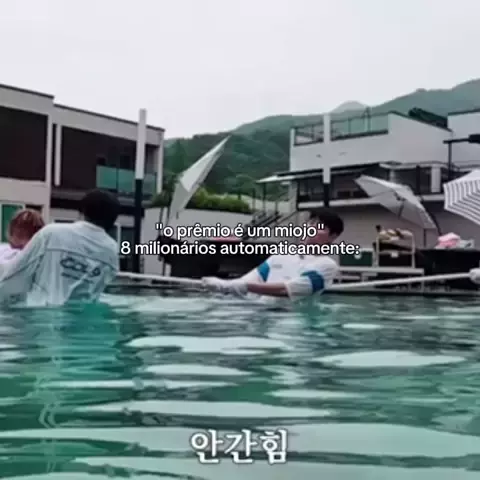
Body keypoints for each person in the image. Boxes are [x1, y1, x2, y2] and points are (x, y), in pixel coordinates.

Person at [0, 189, 120, 306]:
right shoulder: (111, 250)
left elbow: (15, 274)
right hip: (83, 315)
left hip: (41, 313)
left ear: (82, 212)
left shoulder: (52, 233)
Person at [202, 208, 344, 300]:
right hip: (261, 316)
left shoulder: (327, 265)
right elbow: (250, 279)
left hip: (293, 323)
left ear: (333, 236)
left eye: (320, 227)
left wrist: (236, 285)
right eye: (310, 223)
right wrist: (225, 286)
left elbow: (287, 290)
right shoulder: (281, 255)